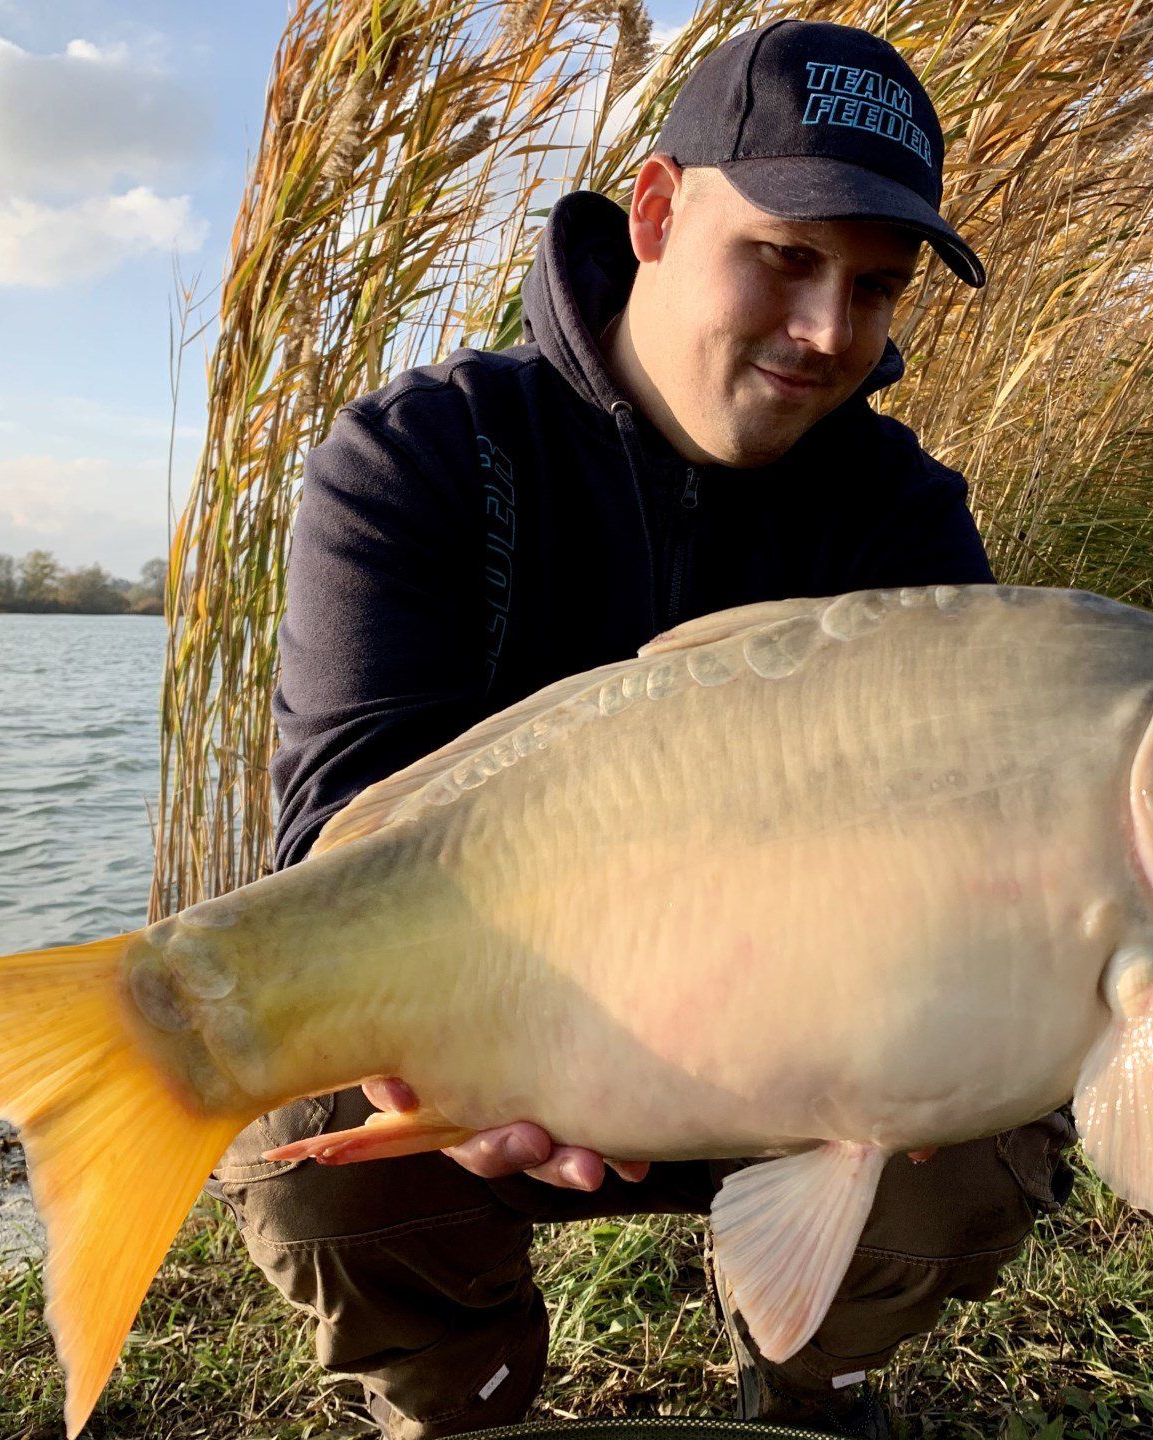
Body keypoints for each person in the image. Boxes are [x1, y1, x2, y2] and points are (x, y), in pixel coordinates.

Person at [208, 18, 1078, 1440]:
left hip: (810, 1055)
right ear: (661, 211)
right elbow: (341, 837)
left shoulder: (903, 514)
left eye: (872, 287)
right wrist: (442, 1054)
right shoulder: (420, 459)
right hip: (504, 1040)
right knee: (311, 1125)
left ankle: (810, 1378)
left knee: (991, 1107)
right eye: (785, 260)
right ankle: (459, 1399)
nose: (825, 334)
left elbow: (992, 839)